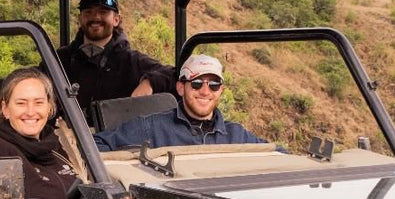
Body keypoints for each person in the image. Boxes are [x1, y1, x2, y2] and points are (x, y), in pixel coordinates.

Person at [0, 0, 173, 121]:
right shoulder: (61, 59)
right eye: (88, 12)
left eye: (103, 12)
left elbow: (173, 74)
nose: (95, 18)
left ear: (116, 19)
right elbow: (27, 79)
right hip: (65, 144)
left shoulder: (132, 61)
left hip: (115, 146)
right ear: (80, 19)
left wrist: (149, 83)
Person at [94, 54, 266, 150]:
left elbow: (277, 154)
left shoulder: (236, 135)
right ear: (180, 88)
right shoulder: (151, 128)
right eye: (197, 84)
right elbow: (97, 144)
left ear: (221, 90)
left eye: (213, 85)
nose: (205, 91)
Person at [0, 68, 78, 199]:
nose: (31, 112)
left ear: (49, 107)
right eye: (21, 103)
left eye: (38, 102)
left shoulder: (64, 146)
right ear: (5, 109)